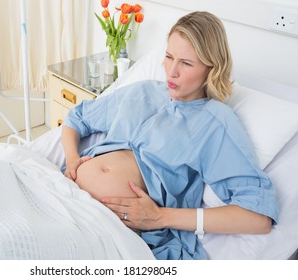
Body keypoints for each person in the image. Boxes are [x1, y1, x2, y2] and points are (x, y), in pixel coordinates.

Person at [61, 11, 279, 260]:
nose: (171, 71)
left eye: (186, 63)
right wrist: (71, 159)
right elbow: (76, 118)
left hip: (107, 226)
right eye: (168, 57)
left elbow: (258, 217)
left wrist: (159, 216)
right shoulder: (144, 90)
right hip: (65, 193)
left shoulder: (215, 122)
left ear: (212, 68)